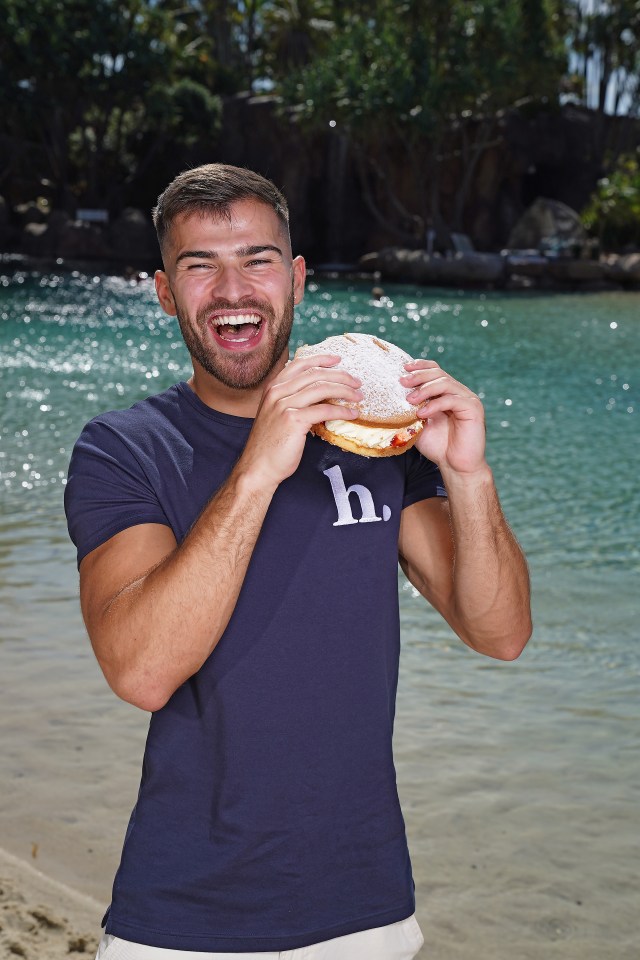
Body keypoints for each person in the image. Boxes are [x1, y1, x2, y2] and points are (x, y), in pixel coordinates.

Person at [65, 163, 532, 960]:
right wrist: (257, 468)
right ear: (164, 293)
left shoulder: (379, 439)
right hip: (184, 919)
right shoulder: (123, 449)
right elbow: (140, 671)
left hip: (368, 907)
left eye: (257, 259)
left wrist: (468, 473)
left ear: (298, 279)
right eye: (198, 266)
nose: (232, 288)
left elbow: (500, 633)